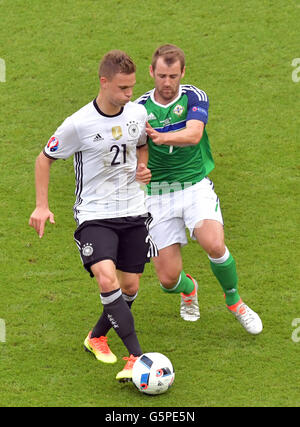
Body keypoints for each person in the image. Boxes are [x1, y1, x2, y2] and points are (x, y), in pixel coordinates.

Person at [29, 50, 157, 382]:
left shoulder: (137, 113)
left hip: (133, 210)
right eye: (123, 88)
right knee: (106, 278)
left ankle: (96, 336)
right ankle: (137, 358)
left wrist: (143, 166)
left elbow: (142, 143)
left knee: (129, 287)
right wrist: (42, 206)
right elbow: (44, 159)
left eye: (132, 88)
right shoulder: (78, 124)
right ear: (104, 82)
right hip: (95, 215)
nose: (130, 95)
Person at [136, 44, 262, 334]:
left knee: (214, 244)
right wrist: (139, 170)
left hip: (194, 187)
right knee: (168, 280)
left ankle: (235, 302)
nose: (167, 83)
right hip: (157, 195)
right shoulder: (139, 109)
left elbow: (194, 134)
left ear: (183, 73)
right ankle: (189, 289)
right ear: (152, 72)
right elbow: (134, 150)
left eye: (173, 76)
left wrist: (161, 136)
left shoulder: (194, 96)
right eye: (162, 76)